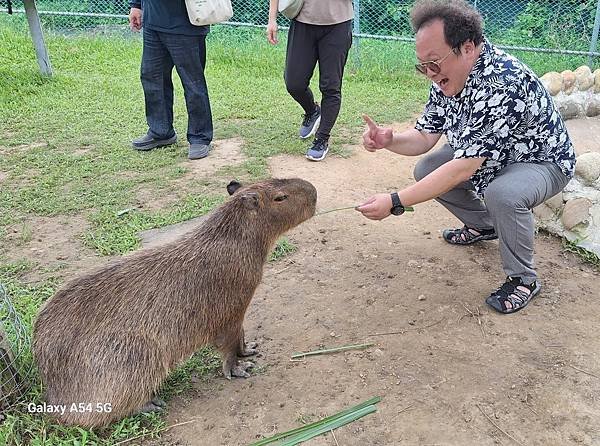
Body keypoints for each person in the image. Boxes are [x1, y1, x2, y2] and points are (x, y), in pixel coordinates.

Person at [356, 0, 576, 314]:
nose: (429, 73)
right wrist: (389, 141)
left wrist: (394, 201)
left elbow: (462, 168)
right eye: (422, 65)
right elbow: (424, 137)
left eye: (434, 62)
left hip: (540, 160)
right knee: (427, 168)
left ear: (468, 48)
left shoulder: (500, 81)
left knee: (503, 193)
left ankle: (524, 279)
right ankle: (484, 225)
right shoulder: (446, 76)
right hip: (490, 156)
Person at [267, 0, 353, 161]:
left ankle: (322, 138)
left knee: (331, 86)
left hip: (338, 24)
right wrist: (272, 19)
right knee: (294, 83)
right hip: (302, 22)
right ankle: (312, 111)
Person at [128, 0, 213, 160]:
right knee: (152, 77)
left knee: (193, 83)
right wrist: (136, 5)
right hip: (152, 22)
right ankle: (161, 132)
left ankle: (200, 137)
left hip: (186, 25)